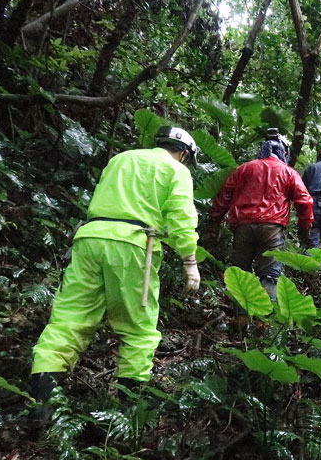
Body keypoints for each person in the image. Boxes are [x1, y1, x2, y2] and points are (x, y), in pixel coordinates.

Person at [29, 126, 201, 418]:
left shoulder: (121, 158)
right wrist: (189, 261)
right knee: (137, 326)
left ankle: (41, 400)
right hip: (133, 245)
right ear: (184, 154)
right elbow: (181, 216)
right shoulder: (177, 170)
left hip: (88, 239)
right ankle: (126, 410)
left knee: (69, 318)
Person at [207, 128, 313, 301]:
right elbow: (305, 201)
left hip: (243, 226)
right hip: (272, 228)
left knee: (240, 276)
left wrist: (214, 222)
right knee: (270, 276)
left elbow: (224, 196)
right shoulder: (288, 172)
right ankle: (264, 322)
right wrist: (305, 228)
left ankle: (240, 319)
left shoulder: (243, 169)